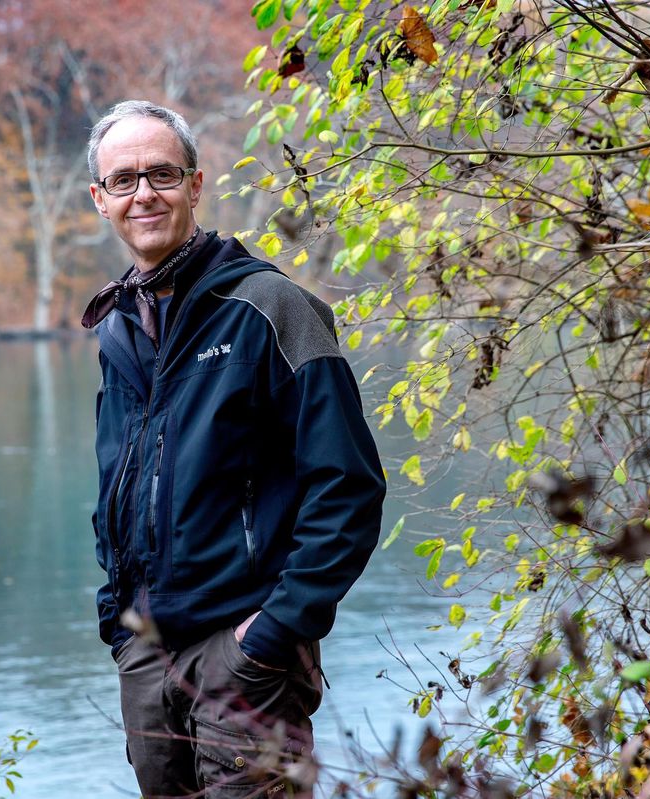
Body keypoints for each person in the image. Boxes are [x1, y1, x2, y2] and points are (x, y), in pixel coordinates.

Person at [81, 100, 385, 798]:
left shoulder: (271, 307)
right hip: (148, 663)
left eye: (161, 173)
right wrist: (118, 621)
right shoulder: (119, 331)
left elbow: (349, 488)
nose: (143, 193)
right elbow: (117, 489)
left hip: (243, 661)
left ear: (195, 184)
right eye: (123, 180)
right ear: (100, 200)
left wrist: (271, 633)